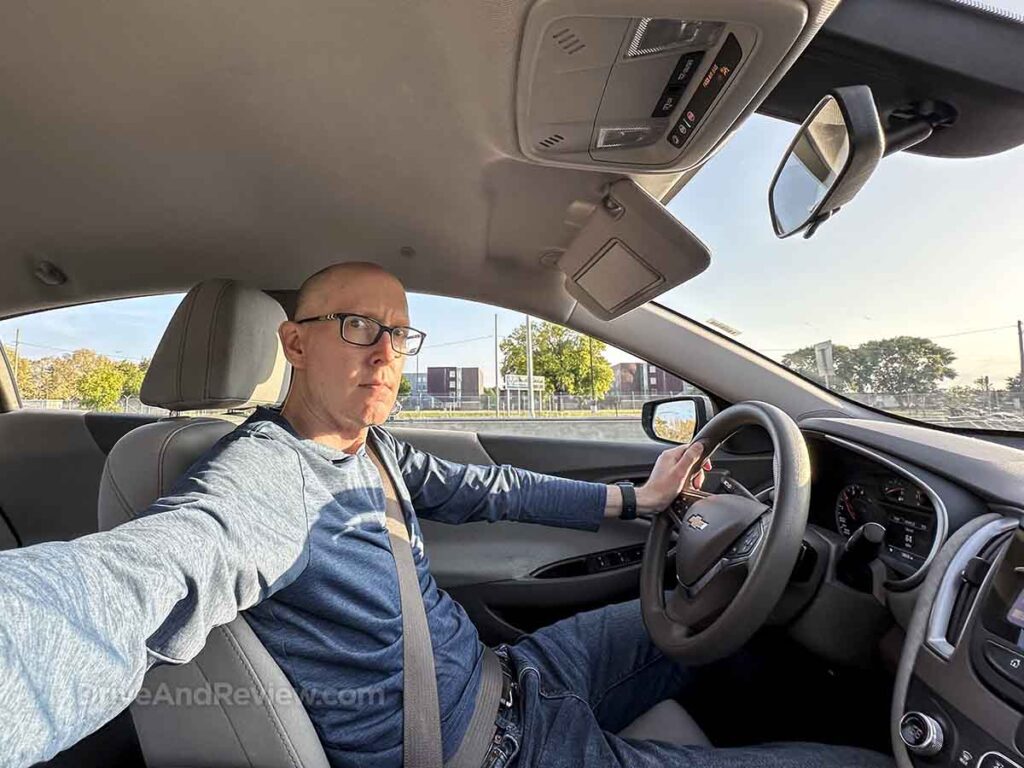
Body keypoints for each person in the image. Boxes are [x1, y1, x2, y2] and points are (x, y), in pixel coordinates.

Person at [0, 262, 892, 768]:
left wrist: (637, 498)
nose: (386, 352)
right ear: (294, 342)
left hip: (517, 675)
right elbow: (142, 577)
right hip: (488, 753)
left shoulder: (371, 446)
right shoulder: (265, 477)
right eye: (356, 325)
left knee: (721, 625)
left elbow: (491, 492)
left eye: (399, 333)